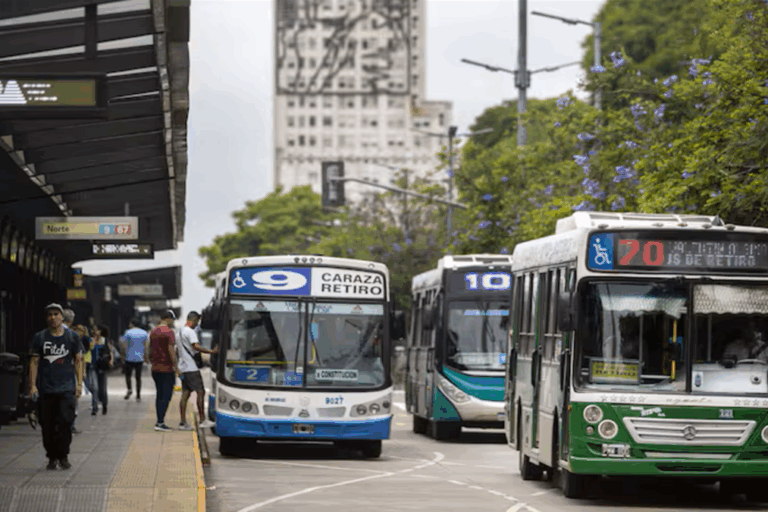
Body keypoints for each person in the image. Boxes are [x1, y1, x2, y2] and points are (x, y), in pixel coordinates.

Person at [29, 303, 83, 470]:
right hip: (46, 388)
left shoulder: (72, 337)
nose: (53, 317)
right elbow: (34, 361)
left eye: (56, 314)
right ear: (46, 318)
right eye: (49, 315)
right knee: (47, 424)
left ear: (62, 317)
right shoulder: (40, 337)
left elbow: (78, 360)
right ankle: (52, 456)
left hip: (66, 387)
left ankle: (63, 455)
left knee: (66, 421)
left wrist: (79, 383)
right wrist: (32, 385)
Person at [176, 311, 217, 430]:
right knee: (200, 392)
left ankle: (183, 423)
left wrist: (177, 367)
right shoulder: (190, 332)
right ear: (193, 320)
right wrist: (212, 352)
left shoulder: (179, 332)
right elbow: (196, 347)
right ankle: (202, 420)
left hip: (183, 367)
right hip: (191, 368)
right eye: (197, 322)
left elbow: (177, 350)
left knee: (185, 394)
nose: (197, 324)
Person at [150, 310, 181, 432]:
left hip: (155, 369)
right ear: (168, 319)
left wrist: (151, 361)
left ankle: (159, 421)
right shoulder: (169, 332)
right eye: (172, 320)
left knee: (159, 395)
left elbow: (150, 349)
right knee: (166, 395)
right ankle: (160, 422)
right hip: (166, 369)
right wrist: (176, 367)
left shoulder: (153, 332)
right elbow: (171, 350)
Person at [62, 309, 83, 435]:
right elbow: (78, 358)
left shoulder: (47, 334)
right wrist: (80, 380)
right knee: (71, 399)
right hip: (69, 372)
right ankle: (70, 425)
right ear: (71, 320)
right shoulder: (72, 335)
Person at [121, 319, 149, 401]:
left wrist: (122, 355)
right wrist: (146, 357)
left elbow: (123, 345)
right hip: (139, 358)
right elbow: (146, 346)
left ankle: (129, 389)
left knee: (128, 375)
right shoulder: (144, 333)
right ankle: (138, 395)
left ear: (131, 324)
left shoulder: (127, 332)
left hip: (129, 358)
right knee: (138, 377)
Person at [91, 326, 113, 415]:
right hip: (93, 366)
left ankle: (104, 405)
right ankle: (95, 407)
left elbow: (110, 351)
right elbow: (90, 348)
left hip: (102, 366)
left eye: (98, 330)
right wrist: (94, 340)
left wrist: (111, 361)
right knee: (94, 387)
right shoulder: (92, 340)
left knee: (102, 387)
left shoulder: (105, 340)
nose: (96, 331)